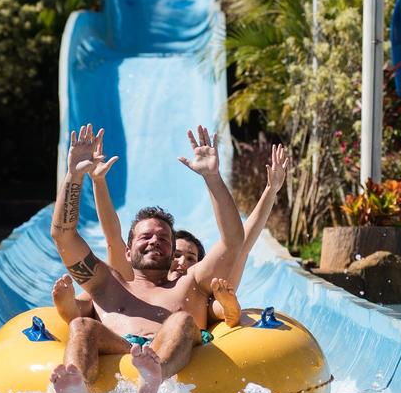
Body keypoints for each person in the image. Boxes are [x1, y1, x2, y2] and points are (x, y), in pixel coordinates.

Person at [47, 124, 244, 393]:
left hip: (169, 359)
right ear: (128, 252)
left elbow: (233, 241)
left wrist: (213, 178)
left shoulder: (189, 284)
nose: (155, 241)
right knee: (82, 327)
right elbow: (63, 235)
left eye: (164, 239)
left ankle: (156, 372)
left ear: (172, 251)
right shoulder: (106, 283)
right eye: (145, 237)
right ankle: (79, 388)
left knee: (181, 320)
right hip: (120, 348)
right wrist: (74, 175)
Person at [57, 141, 290, 328]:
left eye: (191, 259)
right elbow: (111, 240)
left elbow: (239, 244)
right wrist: (92, 180)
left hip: (178, 347)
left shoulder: (196, 288)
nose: (182, 262)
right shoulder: (120, 283)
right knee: (83, 328)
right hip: (119, 349)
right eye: (178, 254)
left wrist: (268, 191)